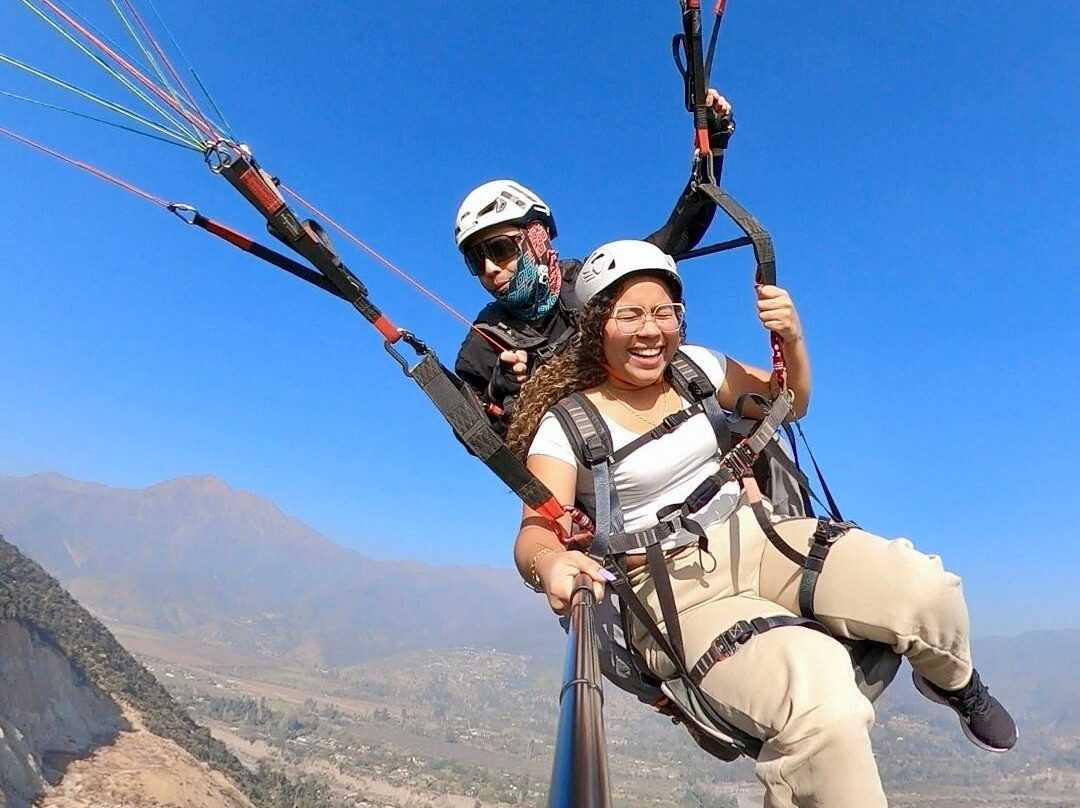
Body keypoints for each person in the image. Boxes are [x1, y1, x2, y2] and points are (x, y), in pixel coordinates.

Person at [506, 239, 1017, 807]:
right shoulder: (569, 424)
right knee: (824, 703)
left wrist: (792, 340)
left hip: (760, 535)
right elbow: (536, 529)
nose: (651, 331)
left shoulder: (697, 369)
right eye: (629, 315)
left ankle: (954, 682)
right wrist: (550, 563)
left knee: (925, 587)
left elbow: (787, 402)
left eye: (664, 312)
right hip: (671, 591)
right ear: (598, 325)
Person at [452, 91, 732, 433]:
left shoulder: (597, 277)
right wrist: (503, 387)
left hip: (660, 421)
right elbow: (475, 437)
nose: (489, 269)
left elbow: (679, 234)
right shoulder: (482, 344)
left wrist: (712, 143)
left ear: (536, 238)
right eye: (475, 260)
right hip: (582, 468)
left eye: (499, 249)